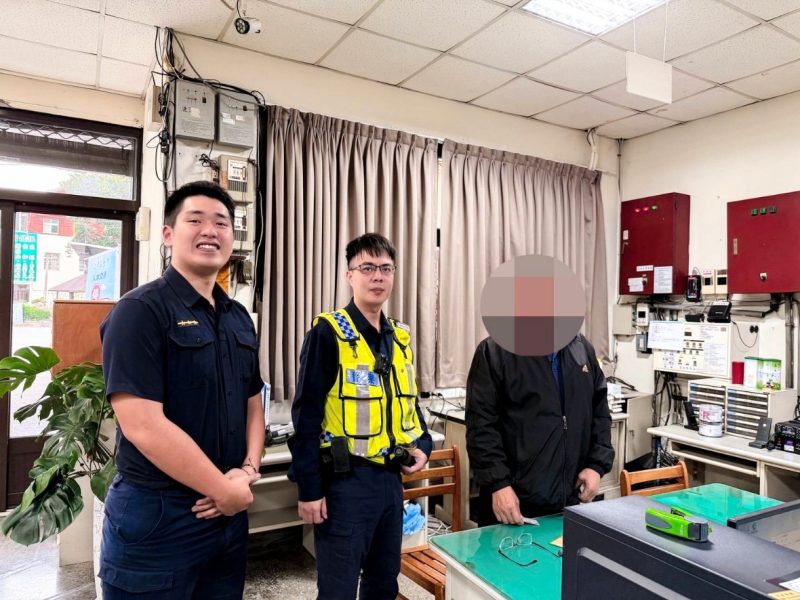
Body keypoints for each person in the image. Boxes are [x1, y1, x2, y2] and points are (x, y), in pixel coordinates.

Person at [98, 180, 265, 598]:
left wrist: (248, 471)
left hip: (227, 514)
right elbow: (143, 426)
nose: (210, 231)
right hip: (159, 516)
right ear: (168, 234)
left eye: (222, 223)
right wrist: (223, 490)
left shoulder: (238, 318)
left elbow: (252, 403)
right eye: (196, 220)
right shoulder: (139, 311)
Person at [289, 233, 433, 600]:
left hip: (390, 481)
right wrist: (310, 489)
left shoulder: (399, 337)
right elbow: (306, 415)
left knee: (384, 583)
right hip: (345, 484)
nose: (378, 276)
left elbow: (408, 402)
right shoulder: (328, 333)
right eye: (367, 268)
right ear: (350, 275)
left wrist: (423, 446)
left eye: (386, 268)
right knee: (337, 589)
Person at [465, 334, 614, 526]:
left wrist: (596, 466)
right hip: (513, 505)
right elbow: (480, 426)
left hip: (570, 503)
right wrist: (498, 485)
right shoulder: (494, 351)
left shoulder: (582, 348)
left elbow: (600, 413)